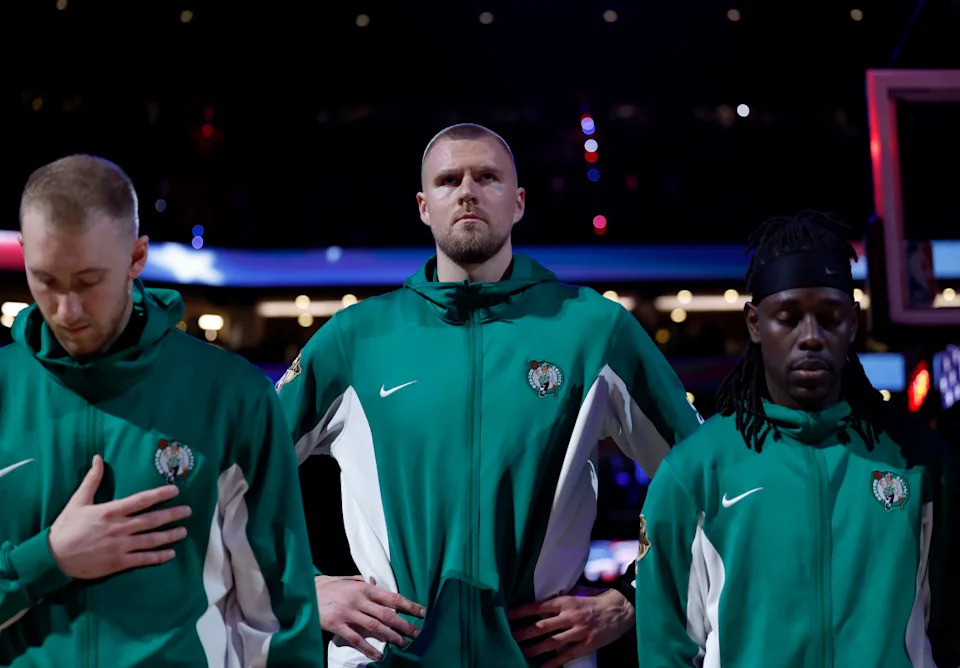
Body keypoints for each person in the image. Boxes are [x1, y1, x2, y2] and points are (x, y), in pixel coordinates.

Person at [277, 123, 703, 667]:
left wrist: (629, 600)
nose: (468, 191)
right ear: (424, 205)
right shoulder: (356, 340)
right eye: (449, 179)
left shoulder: (593, 331)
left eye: (488, 177)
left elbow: (709, 479)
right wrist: (303, 588)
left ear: (518, 202)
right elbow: (234, 476)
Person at [0, 155, 325, 666]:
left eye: (87, 282)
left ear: (136, 257)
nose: (67, 310)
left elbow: (279, 616)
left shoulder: (231, 395)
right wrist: (49, 559)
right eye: (46, 281)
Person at [634, 211, 960, 666]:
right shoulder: (694, 473)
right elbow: (664, 650)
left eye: (829, 318)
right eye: (788, 317)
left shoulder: (920, 461)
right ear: (754, 322)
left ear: (853, 322)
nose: (811, 337)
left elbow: (949, 632)